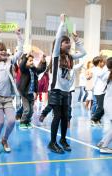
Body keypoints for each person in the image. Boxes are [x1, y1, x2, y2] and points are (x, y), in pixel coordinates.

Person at [47, 14, 86, 154]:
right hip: (55, 91)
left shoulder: (70, 57)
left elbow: (84, 52)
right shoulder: (56, 56)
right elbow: (57, 39)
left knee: (65, 117)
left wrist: (77, 40)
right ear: (60, 45)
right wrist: (62, 24)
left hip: (66, 91)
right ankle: (52, 142)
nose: (68, 44)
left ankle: (63, 139)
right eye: (66, 42)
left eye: (69, 42)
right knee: (57, 116)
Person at [0, 28, 23, 153]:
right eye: (0, 50)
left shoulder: (9, 61)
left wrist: (18, 36)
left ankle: (4, 139)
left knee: (12, 121)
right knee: (0, 122)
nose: (3, 51)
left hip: (7, 98)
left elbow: (20, 51)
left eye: (4, 50)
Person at [18, 53, 46, 129]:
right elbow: (21, 66)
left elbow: (41, 69)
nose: (32, 62)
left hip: (31, 93)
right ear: (25, 61)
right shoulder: (24, 70)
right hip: (24, 92)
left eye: (32, 60)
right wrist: (25, 58)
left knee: (31, 110)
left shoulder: (33, 69)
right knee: (27, 109)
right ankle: (22, 122)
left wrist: (43, 61)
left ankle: (27, 122)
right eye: (30, 61)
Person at [97, 57, 112, 153]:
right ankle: (104, 146)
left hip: (108, 104)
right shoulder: (108, 74)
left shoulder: (108, 74)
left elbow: (100, 75)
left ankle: (102, 142)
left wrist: (107, 66)